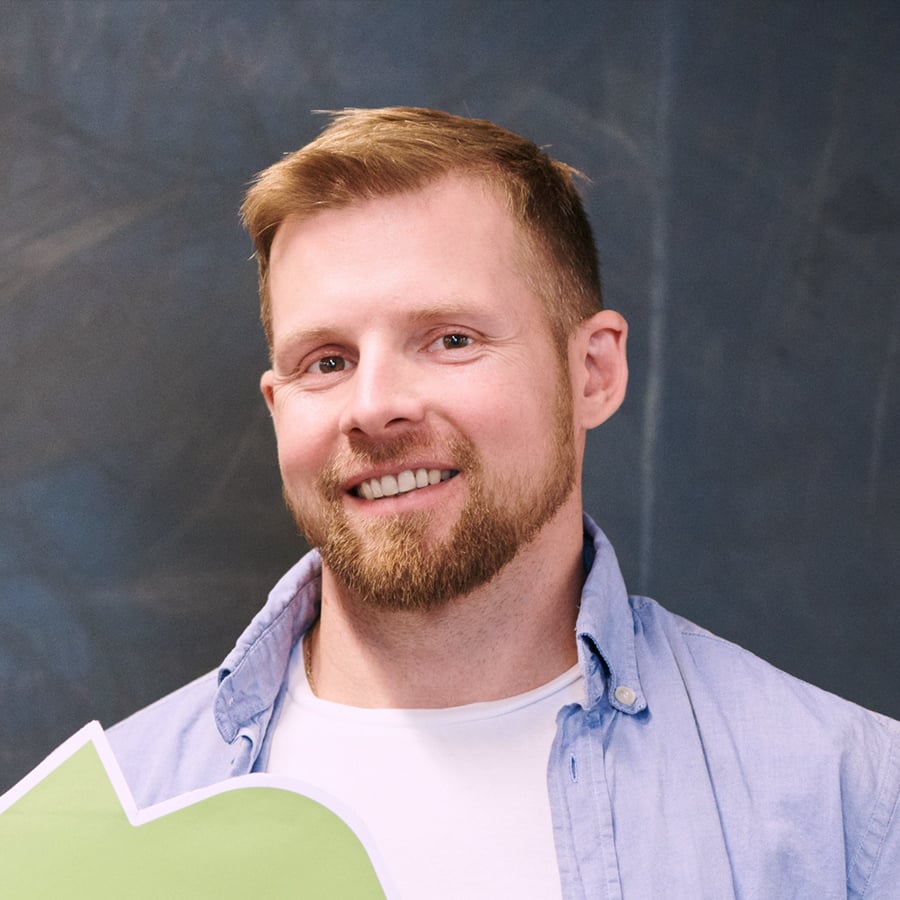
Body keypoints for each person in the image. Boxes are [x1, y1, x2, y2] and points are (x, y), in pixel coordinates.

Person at [108, 107, 900, 898]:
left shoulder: (849, 812)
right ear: (279, 407)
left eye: (451, 339)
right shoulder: (103, 830)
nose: (373, 407)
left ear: (593, 373)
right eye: (327, 361)